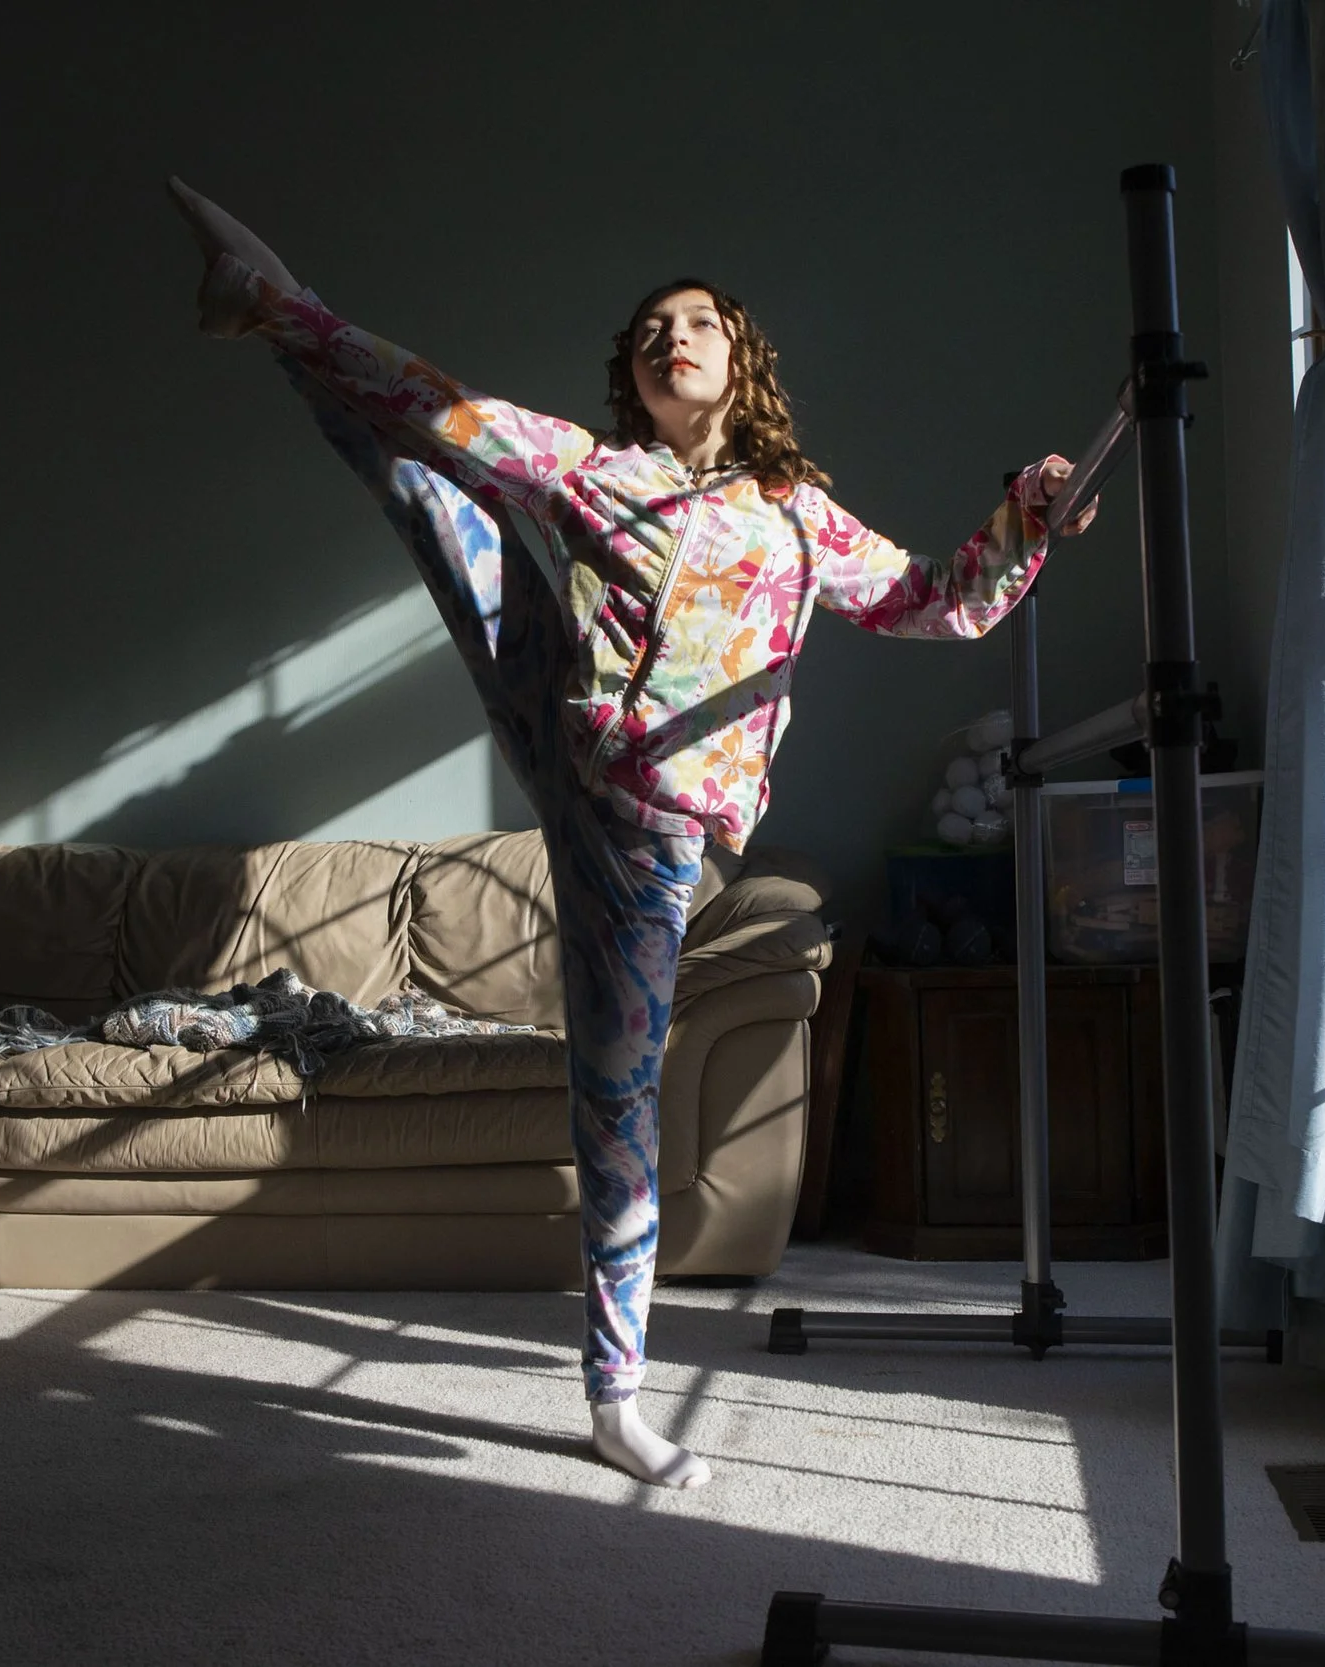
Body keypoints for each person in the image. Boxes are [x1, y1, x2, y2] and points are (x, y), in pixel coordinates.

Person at [168, 178, 1094, 1489]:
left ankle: (615, 1394)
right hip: (571, 734)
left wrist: (1031, 516)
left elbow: (945, 601)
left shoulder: (795, 516)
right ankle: (273, 307)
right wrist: (298, 322)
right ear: (634, 376)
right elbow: (444, 403)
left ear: (741, 361)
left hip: (655, 837)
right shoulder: (598, 474)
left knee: (615, 1100)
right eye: (654, 329)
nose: (674, 337)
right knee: (439, 480)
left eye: (699, 322)